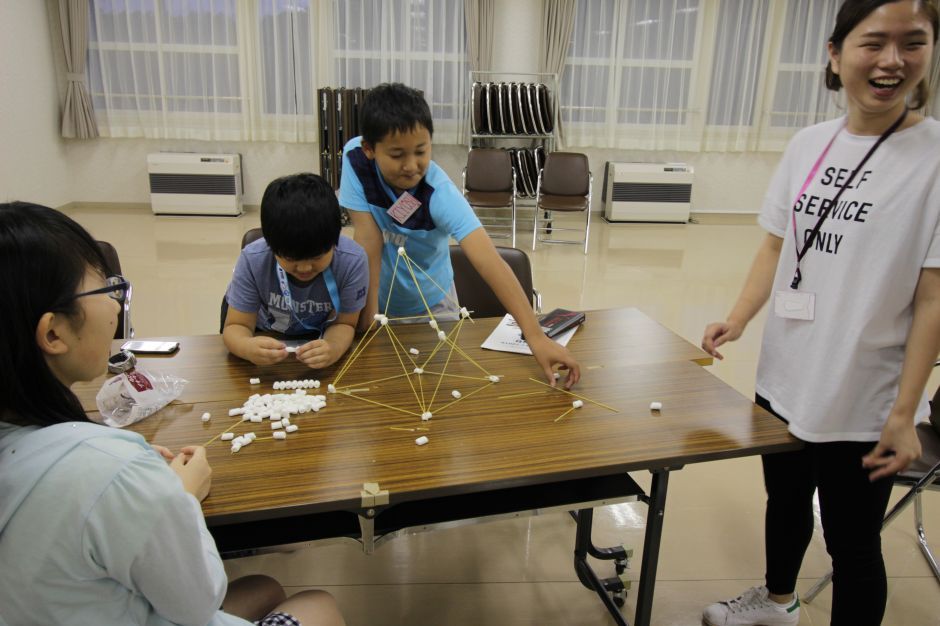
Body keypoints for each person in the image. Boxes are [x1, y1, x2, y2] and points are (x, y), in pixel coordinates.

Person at [700, 1, 940, 624]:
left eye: (912, 42)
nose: (892, 60)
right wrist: (740, 316)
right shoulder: (810, 143)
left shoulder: (935, 159)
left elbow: (934, 299)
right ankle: (778, 603)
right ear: (836, 54)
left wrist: (906, 412)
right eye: (874, 42)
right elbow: (778, 244)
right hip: (784, 375)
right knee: (783, 502)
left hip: (863, 397)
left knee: (852, 544)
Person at [0, 202, 346, 626]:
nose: (114, 306)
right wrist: (178, 499)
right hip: (174, 606)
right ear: (53, 333)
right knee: (319, 605)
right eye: (104, 290)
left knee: (264, 587)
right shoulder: (112, 469)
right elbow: (199, 600)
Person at [338, 82, 580, 389]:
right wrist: (367, 320)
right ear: (370, 150)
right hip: (378, 302)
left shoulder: (439, 195)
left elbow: (488, 261)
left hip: (434, 307)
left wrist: (535, 336)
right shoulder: (355, 159)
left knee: (440, 391)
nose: (412, 166)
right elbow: (368, 240)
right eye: (398, 154)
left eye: (421, 151)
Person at [224, 173, 368, 370]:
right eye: (291, 259)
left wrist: (333, 348)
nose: (304, 268)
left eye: (317, 257)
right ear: (271, 245)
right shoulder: (253, 259)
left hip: (320, 338)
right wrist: (247, 347)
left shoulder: (352, 260)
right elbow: (235, 327)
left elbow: (345, 324)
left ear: (335, 240)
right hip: (265, 335)